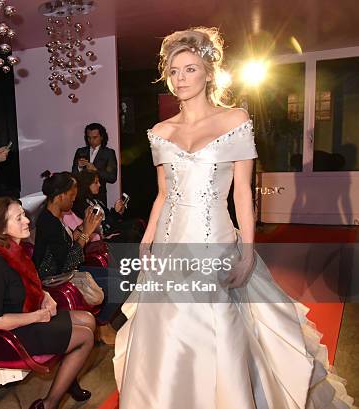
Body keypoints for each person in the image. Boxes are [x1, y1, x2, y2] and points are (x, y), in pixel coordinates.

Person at [113, 27, 354, 408]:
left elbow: (242, 192)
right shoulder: (160, 132)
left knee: (218, 332)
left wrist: (247, 252)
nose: (181, 79)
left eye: (190, 69)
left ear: (209, 72)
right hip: (170, 244)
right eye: (174, 72)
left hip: (215, 242)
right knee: (164, 332)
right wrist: (146, 240)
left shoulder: (234, 119)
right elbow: (163, 193)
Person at [0, 197, 96, 409]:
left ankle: (67, 379)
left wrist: (44, 296)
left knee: (89, 319)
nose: (27, 221)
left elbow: (24, 286)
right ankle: (48, 404)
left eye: (24, 215)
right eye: (19, 218)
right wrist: (37, 316)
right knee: (86, 337)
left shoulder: (14, 252)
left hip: (26, 318)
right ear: (2, 228)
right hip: (12, 333)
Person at [32, 171, 130, 330]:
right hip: (55, 278)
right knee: (118, 285)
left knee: (119, 277)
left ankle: (101, 325)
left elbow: (67, 242)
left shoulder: (54, 217)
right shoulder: (48, 222)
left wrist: (85, 225)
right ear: (60, 196)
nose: (74, 199)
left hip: (67, 271)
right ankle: (100, 326)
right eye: (71, 195)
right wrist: (86, 233)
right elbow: (67, 263)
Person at [72, 169, 144, 243]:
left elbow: (108, 219)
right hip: (101, 236)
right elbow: (101, 228)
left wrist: (117, 212)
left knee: (138, 223)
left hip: (109, 229)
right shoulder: (81, 206)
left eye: (98, 182)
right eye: (96, 182)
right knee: (133, 233)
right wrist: (115, 213)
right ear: (86, 185)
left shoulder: (95, 200)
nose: (99, 185)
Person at [71, 123, 117, 206]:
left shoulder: (108, 153)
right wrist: (79, 167)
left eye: (95, 137)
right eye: (89, 137)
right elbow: (73, 175)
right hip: (81, 196)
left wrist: (96, 170)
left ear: (102, 137)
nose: (91, 140)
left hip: (99, 196)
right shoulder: (80, 151)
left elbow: (112, 177)